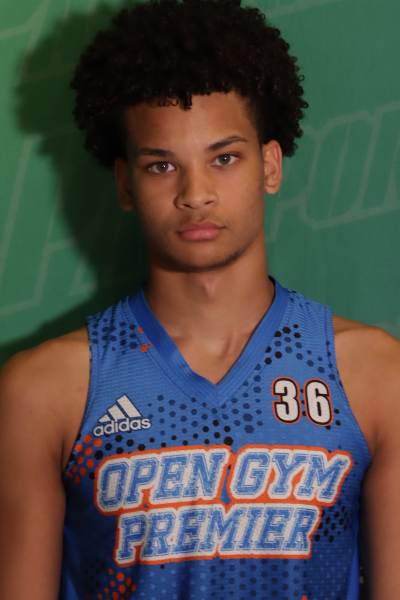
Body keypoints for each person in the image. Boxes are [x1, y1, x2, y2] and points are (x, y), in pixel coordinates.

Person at [0, 0, 399, 598]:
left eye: (224, 158)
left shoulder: (375, 377)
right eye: (162, 166)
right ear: (125, 182)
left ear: (270, 165)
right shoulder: (45, 392)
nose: (196, 193)